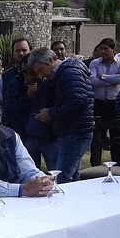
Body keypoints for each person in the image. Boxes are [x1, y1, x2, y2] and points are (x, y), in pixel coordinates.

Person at [29, 47, 95, 183]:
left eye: (41, 70)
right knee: (72, 176)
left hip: (75, 132)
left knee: (62, 177)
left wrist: (51, 113)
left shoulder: (69, 73)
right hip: (73, 130)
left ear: (50, 60)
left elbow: (78, 102)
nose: (41, 75)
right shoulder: (65, 73)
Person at [88, 38, 120, 164]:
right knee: (97, 136)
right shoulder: (95, 63)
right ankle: (95, 164)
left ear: (113, 50)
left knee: (116, 135)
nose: (103, 51)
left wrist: (103, 77)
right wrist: (111, 79)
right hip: (99, 103)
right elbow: (91, 80)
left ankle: (118, 164)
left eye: (106, 48)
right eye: (101, 49)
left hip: (115, 103)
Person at [19, 54, 57, 169]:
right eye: (25, 72)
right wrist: (26, 96)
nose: (30, 76)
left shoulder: (52, 82)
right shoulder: (18, 85)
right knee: (31, 172)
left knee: (55, 171)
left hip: (50, 136)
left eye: (33, 71)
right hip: (29, 135)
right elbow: (11, 110)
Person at [0, 38, 32, 115]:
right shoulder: (6, 76)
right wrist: (1, 117)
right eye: (17, 51)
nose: (21, 53)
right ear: (13, 53)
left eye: (24, 50)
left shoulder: (39, 72)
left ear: (30, 51)